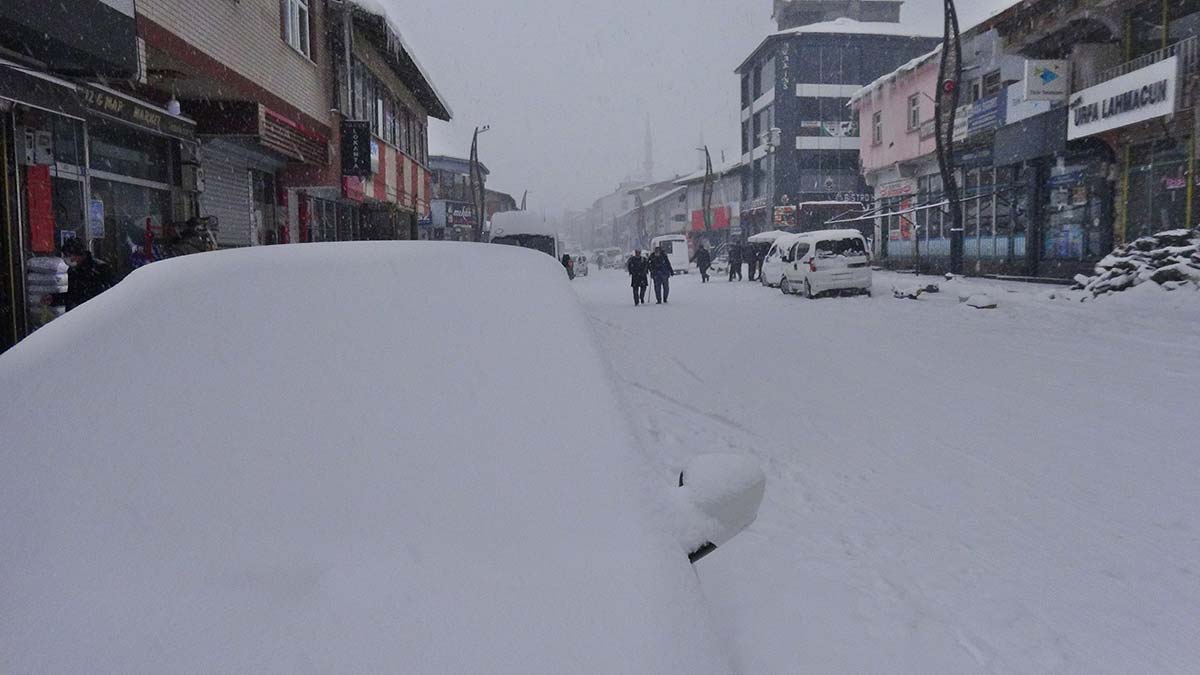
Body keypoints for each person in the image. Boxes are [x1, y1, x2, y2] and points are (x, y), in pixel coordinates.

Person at [49, 237, 114, 310]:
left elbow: (108, 294)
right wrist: (53, 299)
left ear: (79, 254)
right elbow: (71, 295)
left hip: (96, 311)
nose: (69, 259)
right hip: (76, 313)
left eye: (70, 255)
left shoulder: (100, 268)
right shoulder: (72, 271)